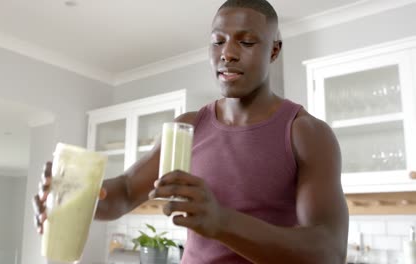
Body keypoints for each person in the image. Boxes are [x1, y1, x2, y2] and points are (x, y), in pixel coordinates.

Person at [34, 0, 349, 263]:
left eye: (247, 41)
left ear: (274, 51)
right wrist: (72, 196)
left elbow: (328, 251)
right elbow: (125, 192)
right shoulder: (188, 127)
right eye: (218, 41)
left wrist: (221, 221)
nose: (228, 53)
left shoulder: (306, 133)